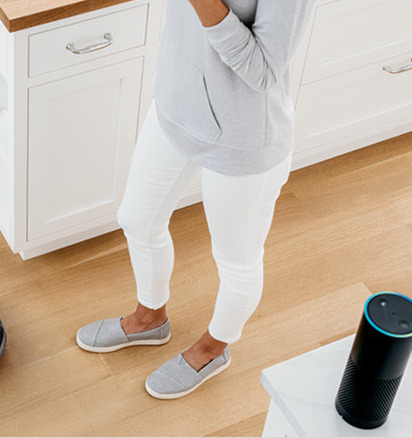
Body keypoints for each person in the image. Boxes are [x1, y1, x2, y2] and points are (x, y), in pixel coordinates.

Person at [76, 0, 315, 399]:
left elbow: (264, 72)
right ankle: (150, 317)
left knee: (236, 262)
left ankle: (212, 348)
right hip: (177, 102)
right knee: (137, 217)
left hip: (243, 138)